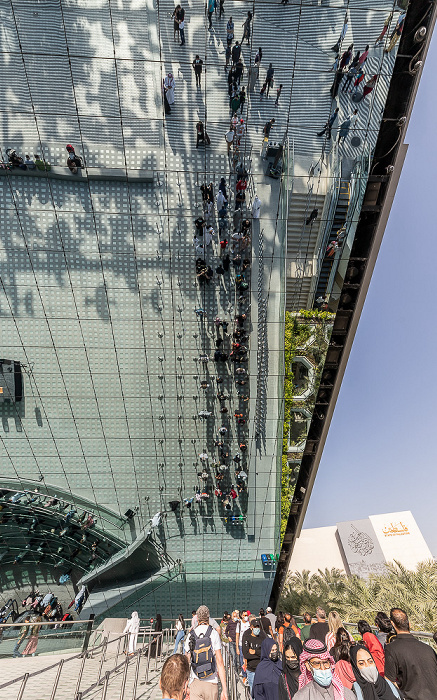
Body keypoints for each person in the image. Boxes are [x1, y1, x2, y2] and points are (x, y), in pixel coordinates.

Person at [384, 607, 437, 699]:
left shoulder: (391, 648)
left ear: (392, 624)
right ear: (409, 624)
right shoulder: (428, 649)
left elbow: (389, 681)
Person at [185, 605, 228, 700]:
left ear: (197, 618)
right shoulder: (214, 634)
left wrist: (185, 684)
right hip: (212, 682)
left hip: (195, 681)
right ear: (208, 617)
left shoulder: (191, 635)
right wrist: (224, 689)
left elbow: (186, 662)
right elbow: (220, 663)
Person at [242, 616, 267, 691]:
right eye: (255, 627)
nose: (257, 628)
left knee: (263, 691)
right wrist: (260, 653)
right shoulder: (246, 636)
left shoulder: (263, 635)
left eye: (258, 627)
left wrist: (255, 652)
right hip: (251, 669)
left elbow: (266, 651)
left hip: (262, 668)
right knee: (253, 691)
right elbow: (246, 654)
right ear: (251, 627)